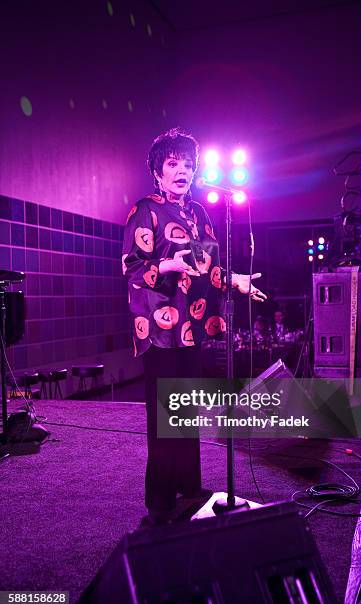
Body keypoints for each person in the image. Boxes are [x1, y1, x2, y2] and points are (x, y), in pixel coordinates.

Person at [122, 128, 266, 525]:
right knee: (164, 417)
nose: (182, 171)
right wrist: (163, 266)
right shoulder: (144, 210)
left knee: (185, 411)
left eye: (187, 164)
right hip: (159, 328)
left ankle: (189, 488)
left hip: (192, 326)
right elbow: (131, 266)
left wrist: (234, 281)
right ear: (157, 171)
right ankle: (161, 502)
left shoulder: (199, 213)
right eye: (172, 164)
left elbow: (209, 266)